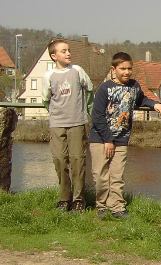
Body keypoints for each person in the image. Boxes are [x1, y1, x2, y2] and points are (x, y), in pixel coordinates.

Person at [89, 52, 161, 219]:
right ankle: (101, 206)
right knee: (101, 176)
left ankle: (117, 207)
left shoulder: (134, 86)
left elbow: (141, 100)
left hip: (122, 139)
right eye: (122, 69)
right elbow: (97, 116)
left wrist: (154, 104)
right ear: (113, 69)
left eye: (129, 69)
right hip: (101, 139)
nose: (126, 72)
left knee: (117, 176)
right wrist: (108, 140)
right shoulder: (104, 89)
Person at [41, 39, 93, 212]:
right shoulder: (48, 76)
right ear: (54, 56)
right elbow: (46, 100)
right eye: (64, 51)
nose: (68, 53)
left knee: (78, 160)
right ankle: (64, 198)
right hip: (57, 125)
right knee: (59, 160)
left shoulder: (78, 71)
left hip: (77, 123)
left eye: (69, 50)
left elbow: (90, 90)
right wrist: (56, 116)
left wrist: (86, 112)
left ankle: (79, 200)